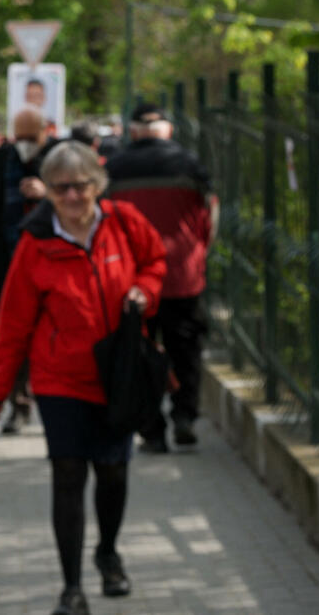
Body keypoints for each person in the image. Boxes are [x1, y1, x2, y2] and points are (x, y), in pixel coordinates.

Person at [0, 141, 166, 615]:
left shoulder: (123, 222)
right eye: (61, 188)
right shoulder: (35, 242)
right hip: (59, 379)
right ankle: (71, 587)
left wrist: (144, 290)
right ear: (50, 191)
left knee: (112, 471)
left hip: (118, 374)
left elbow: (156, 261)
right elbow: (13, 323)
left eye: (80, 186)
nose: (72, 196)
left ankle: (108, 552)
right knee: (67, 474)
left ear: (96, 185)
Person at [106, 103, 217, 452]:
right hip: (183, 275)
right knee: (185, 349)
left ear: (134, 130)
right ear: (168, 129)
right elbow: (209, 217)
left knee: (140, 354)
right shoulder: (190, 165)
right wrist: (199, 254)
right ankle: (184, 416)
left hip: (133, 281)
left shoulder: (115, 168)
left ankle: (152, 430)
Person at [0, 106, 55, 432]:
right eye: (22, 138)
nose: (27, 144)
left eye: (33, 138)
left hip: (51, 264)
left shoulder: (60, 159)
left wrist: (48, 195)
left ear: (46, 133)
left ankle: (36, 397)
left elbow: (80, 205)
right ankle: (17, 400)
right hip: (8, 262)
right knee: (8, 332)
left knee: (46, 333)